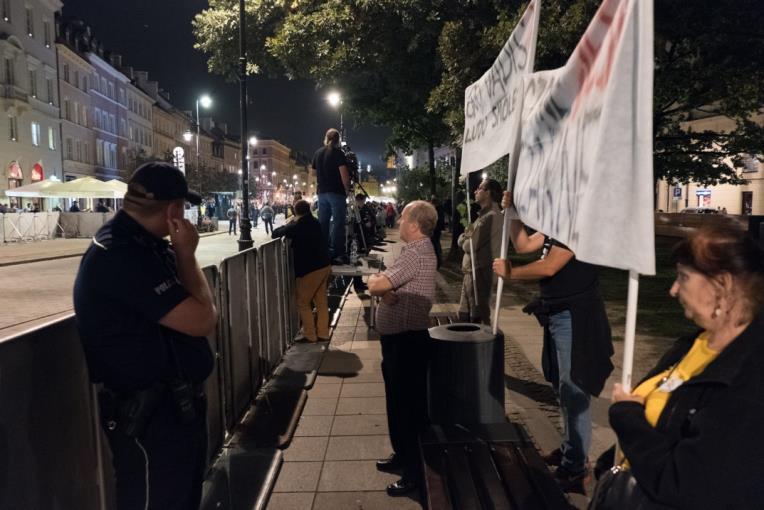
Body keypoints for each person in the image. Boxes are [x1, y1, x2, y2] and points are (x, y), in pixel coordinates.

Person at [73, 162, 217, 509]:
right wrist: (186, 254)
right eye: (183, 206)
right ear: (172, 210)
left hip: (173, 410)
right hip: (149, 420)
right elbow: (202, 318)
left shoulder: (144, 244)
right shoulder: (121, 254)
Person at [593, 227, 764, 509]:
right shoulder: (694, 343)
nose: (673, 289)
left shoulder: (748, 378)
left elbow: (685, 483)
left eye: (683, 277)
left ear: (721, 285)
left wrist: (625, 416)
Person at [492, 189, 613, 494]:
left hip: (576, 315)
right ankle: (571, 448)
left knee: (574, 389)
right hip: (558, 313)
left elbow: (550, 266)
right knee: (562, 386)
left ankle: (575, 468)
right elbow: (523, 243)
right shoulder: (558, 225)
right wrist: (513, 213)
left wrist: (511, 272)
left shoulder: (577, 224)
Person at [369, 200, 438, 496]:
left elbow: (375, 285)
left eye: (402, 218)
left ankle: (414, 474)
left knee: (407, 408)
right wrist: (386, 292)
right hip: (401, 339)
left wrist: (378, 284)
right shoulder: (414, 252)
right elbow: (387, 288)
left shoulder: (416, 253)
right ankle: (403, 456)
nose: (398, 222)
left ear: (414, 223)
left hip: (406, 341)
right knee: (398, 404)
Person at [271, 199, 331, 342]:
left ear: (295, 211)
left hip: (310, 269)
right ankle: (323, 333)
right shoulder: (315, 222)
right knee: (321, 301)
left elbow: (275, 233)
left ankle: (310, 335)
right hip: (324, 265)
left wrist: (291, 222)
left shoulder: (299, 225)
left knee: (303, 302)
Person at [458, 178, 503, 324]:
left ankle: (479, 345)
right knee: (465, 313)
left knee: (478, 315)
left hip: (479, 273)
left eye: (479, 188)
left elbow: (467, 245)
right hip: (471, 272)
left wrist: (465, 239)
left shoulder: (490, 217)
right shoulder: (480, 217)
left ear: (488, 193)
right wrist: (465, 238)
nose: (475, 191)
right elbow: (463, 237)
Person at [312, 128, 350, 263]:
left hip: (322, 193)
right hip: (336, 192)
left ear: (326, 138)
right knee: (338, 223)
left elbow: (314, 172)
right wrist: (347, 189)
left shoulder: (318, 153)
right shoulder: (338, 153)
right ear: (337, 140)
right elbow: (344, 173)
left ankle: (323, 251)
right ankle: (338, 253)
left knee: (323, 223)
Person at [430, 196, 446, 268]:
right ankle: (438, 261)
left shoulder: (437, 210)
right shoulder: (439, 209)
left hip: (435, 230)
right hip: (436, 230)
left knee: (435, 246)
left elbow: (436, 220)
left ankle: (438, 262)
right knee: (436, 245)